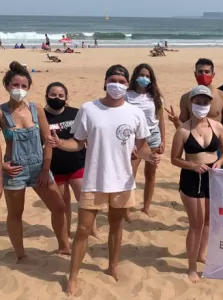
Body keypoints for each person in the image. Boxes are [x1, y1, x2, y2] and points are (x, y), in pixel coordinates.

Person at [46, 64, 160, 295]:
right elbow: (78, 142)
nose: (117, 84)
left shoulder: (135, 112)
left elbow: (142, 146)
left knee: (116, 226)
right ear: (105, 81)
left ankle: (112, 266)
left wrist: (151, 157)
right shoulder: (89, 109)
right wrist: (60, 144)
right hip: (94, 179)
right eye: (113, 80)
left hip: (123, 180)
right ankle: (74, 277)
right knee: (83, 230)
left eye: (121, 81)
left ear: (127, 85)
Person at [1, 61, 70, 261]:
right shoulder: (1, 112)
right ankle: (21, 255)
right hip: (14, 169)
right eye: (15, 85)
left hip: (39, 167)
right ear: (6, 86)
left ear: (29, 88)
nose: (19, 90)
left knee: (59, 207)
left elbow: (48, 140)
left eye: (23, 86)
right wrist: (2, 166)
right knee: (15, 214)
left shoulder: (36, 109)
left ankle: (64, 246)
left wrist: (45, 169)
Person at [171, 85, 223, 282]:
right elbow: (174, 159)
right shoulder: (183, 130)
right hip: (191, 177)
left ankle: (201, 254)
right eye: (198, 102)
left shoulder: (217, 127)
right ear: (191, 103)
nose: (202, 105)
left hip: (212, 177)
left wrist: (219, 162)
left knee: (208, 221)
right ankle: (191, 267)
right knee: (195, 224)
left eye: (205, 102)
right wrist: (192, 166)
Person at [44, 82, 98, 238]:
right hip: (56, 166)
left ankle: (93, 230)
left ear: (66, 97)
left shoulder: (75, 113)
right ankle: (66, 233)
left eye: (61, 95)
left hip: (78, 162)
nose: (57, 98)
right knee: (63, 202)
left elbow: (86, 137)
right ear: (46, 96)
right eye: (53, 94)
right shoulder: (42, 116)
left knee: (85, 199)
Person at [125, 63, 166, 218]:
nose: (144, 78)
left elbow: (160, 119)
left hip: (153, 136)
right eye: (141, 75)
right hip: (134, 138)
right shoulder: (127, 95)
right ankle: (126, 209)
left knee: (151, 174)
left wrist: (163, 140)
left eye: (147, 76)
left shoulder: (156, 97)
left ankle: (146, 207)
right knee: (130, 174)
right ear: (135, 76)